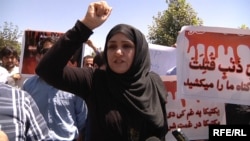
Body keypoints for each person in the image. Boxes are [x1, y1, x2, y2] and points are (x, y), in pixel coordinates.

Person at [36, 1, 168, 141]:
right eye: (111, 46)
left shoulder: (154, 82)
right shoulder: (94, 80)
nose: (118, 52)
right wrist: (84, 26)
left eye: (126, 46)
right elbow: (47, 69)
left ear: (139, 52)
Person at [22, 37, 88, 141]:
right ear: (38, 56)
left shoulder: (75, 84)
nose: (54, 55)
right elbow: (24, 117)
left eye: (58, 51)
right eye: (48, 51)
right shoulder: (28, 85)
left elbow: (82, 120)